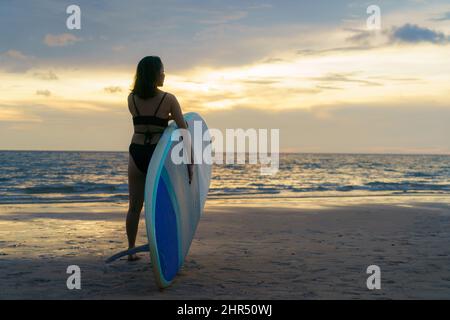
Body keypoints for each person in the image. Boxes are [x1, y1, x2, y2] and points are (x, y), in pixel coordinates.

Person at [126, 56, 193, 261]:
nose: (164, 74)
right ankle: (162, 249)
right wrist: (190, 163)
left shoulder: (132, 99)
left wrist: (164, 117)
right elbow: (184, 131)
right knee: (161, 206)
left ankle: (131, 250)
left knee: (135, 206)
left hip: (136, 153)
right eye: (162, 70)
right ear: (155, 74)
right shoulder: (169, 99)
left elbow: (146, 120)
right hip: (158, 155)